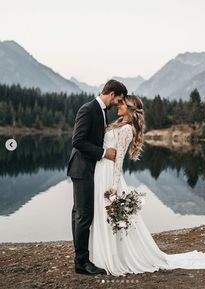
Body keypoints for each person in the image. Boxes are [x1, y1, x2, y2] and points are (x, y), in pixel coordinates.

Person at [88, 94, 205, 276]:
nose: (118, 105)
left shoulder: (126, 129)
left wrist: (114, 186)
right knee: (103, 215)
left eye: (122, 104)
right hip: (100, 171)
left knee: (112, 216)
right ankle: (102, 254)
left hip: (110, 175)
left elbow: (119, 161)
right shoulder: (118, 123)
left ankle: (116, 258)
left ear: (131, 109)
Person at [67, 79, 128, 275]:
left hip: (88, 169)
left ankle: (81, 257)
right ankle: (82, 263)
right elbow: (78, 141)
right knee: (84, 215)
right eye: (118, 100)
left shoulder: (101, 111)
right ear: (111, 94)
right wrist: (103, 153)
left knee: (80, 213)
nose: (118, 104)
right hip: (81, 168)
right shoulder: (88, 109)